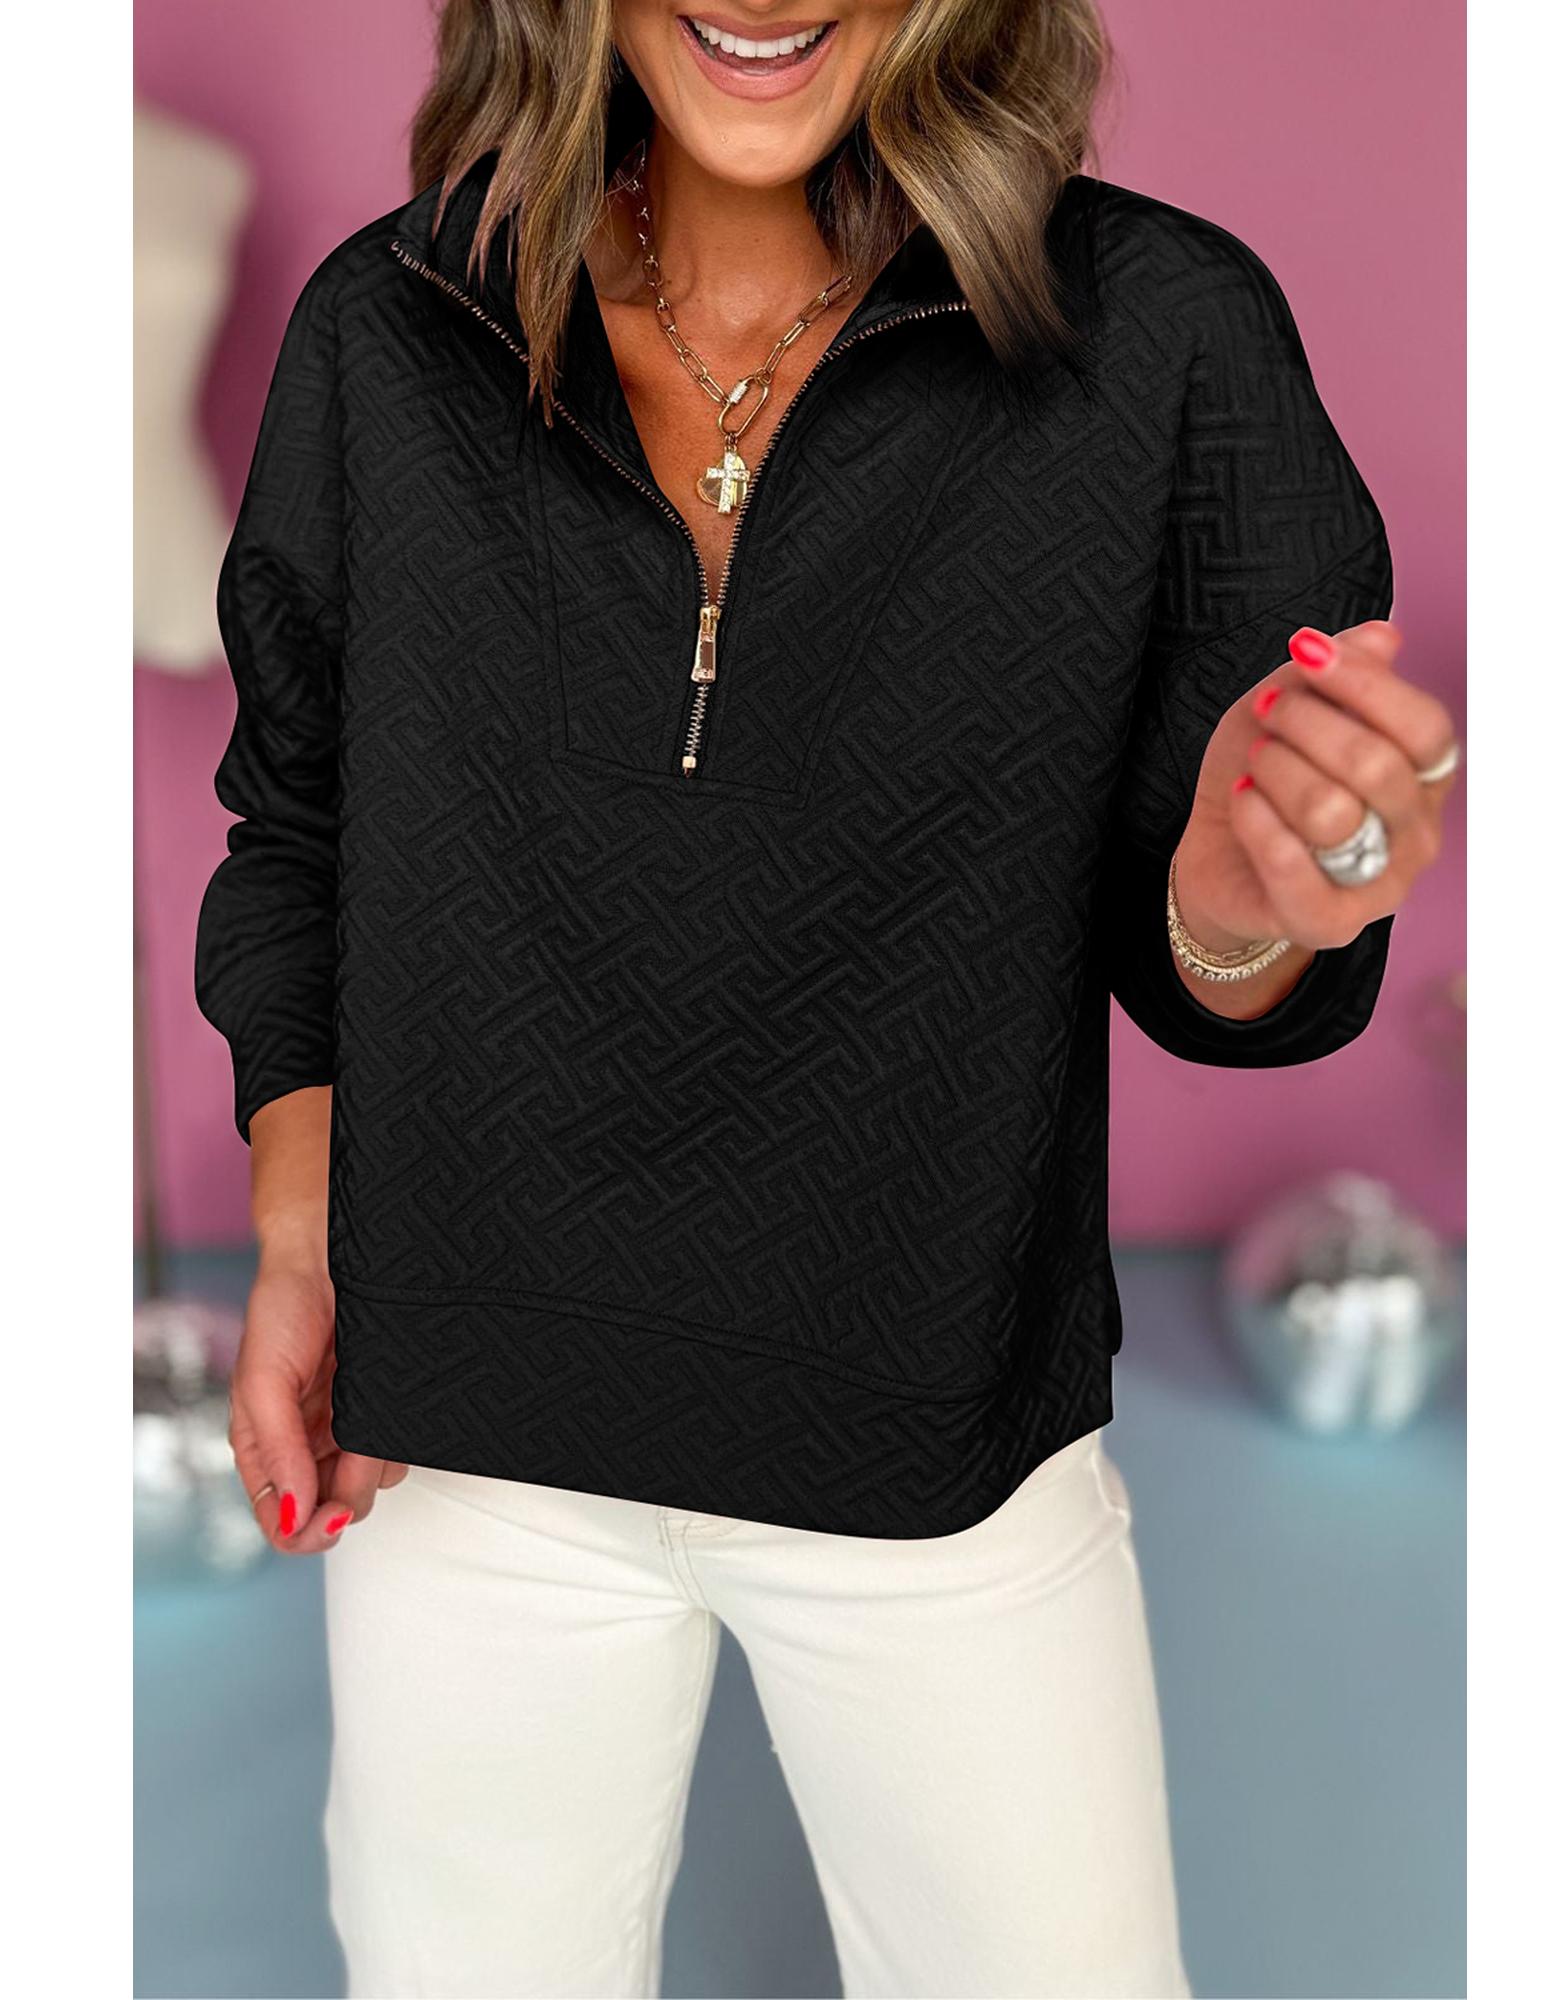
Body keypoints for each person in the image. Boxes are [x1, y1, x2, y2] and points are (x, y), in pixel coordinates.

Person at [196, 3, 1458, 1994]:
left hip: (941, 1462)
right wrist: (296, 1235)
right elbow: (296, 830)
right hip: (465, 1452)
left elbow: (1235, 978)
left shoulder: (1163, 338)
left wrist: (1240, 901)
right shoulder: (391, 325)